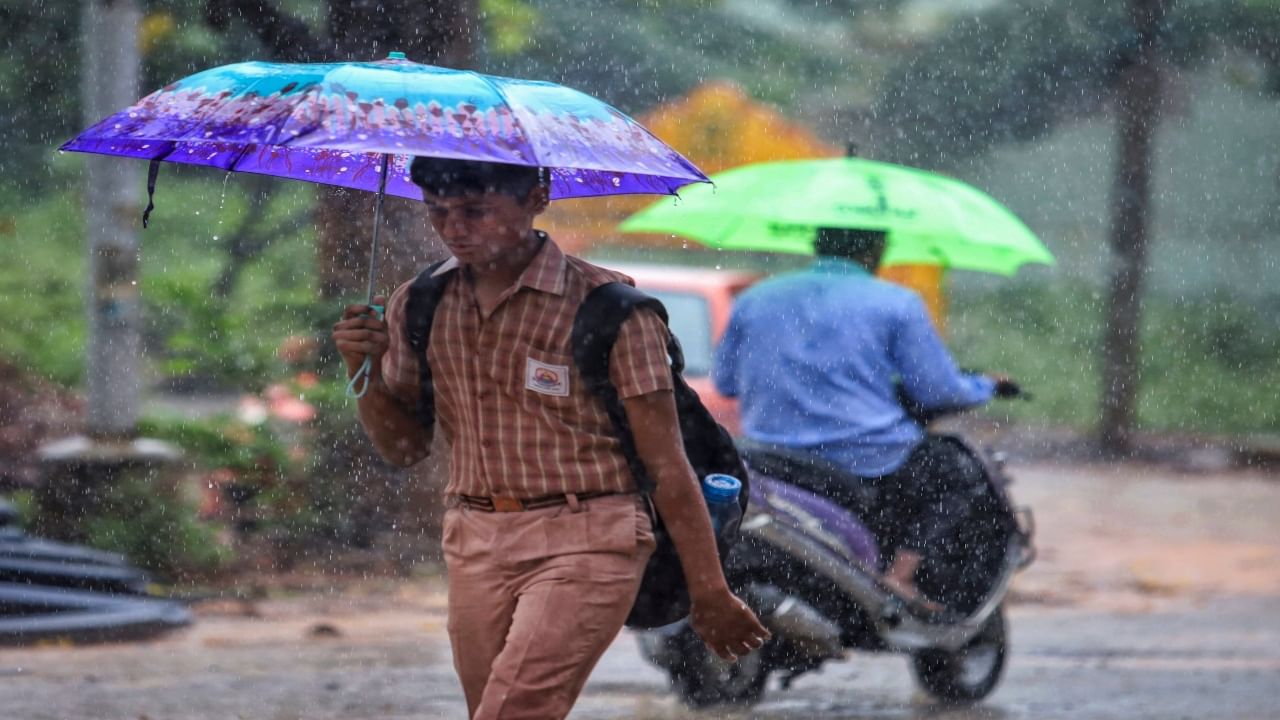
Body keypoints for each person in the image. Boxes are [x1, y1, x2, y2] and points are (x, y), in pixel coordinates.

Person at [332, 156, 768, 720]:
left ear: (538, 198)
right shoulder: (420, 303)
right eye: (438, 212)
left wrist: (709, 591)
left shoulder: (611, 310)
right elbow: (404, 448)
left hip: (591, 534)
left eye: (475, 211)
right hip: (474, 536)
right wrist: (360, 368)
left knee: (515, 710)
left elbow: (667, 464)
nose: (454, 229)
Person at [712, 227, 1016, 611]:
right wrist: (987, 386)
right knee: (955, 474)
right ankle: (900, 577)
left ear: (815, 245)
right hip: (868, 457)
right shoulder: (897, 304)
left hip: (768, 454)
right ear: (877, 252)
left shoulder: (755, 298)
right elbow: (938, 390)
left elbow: (725, 382)